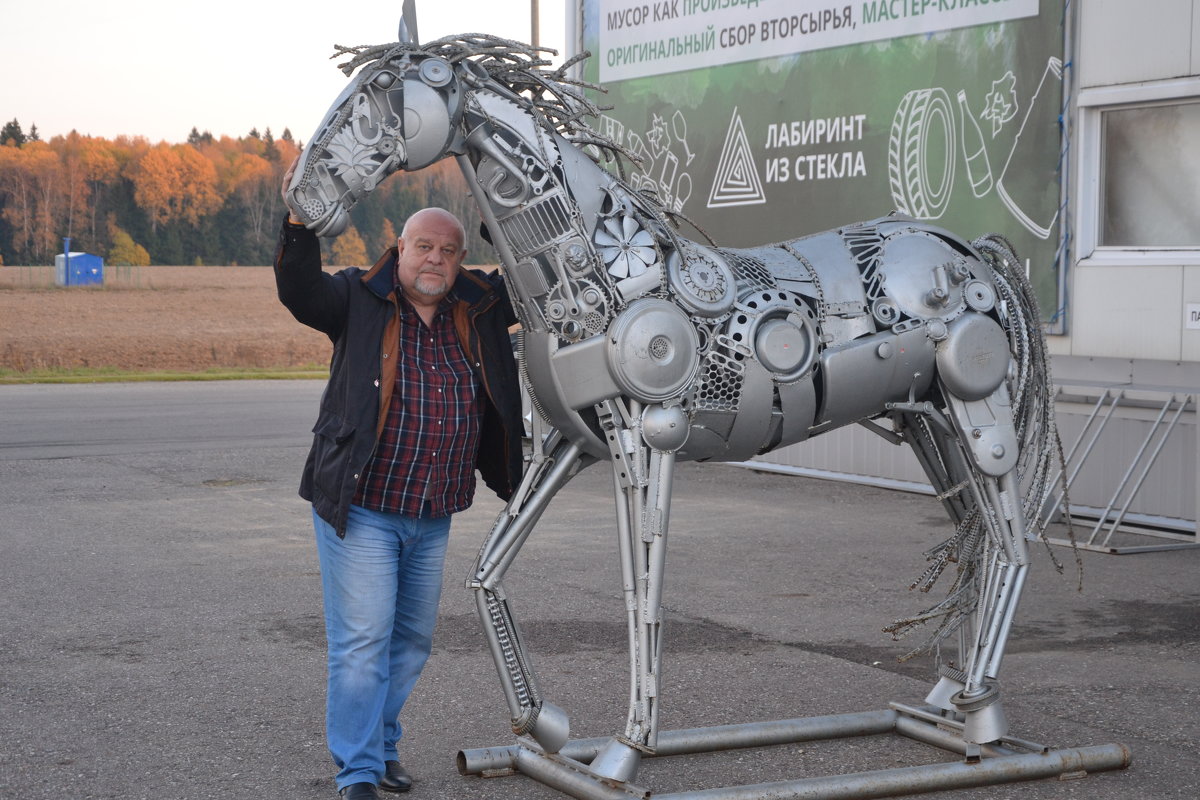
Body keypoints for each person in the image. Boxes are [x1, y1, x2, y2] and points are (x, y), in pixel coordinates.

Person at [274, 182, 523, 798]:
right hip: (363, 507)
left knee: (411, 640)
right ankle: (357, 770)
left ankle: (382, 745)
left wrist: (509, 206)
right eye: (423, 246)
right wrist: (301, 224)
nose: (434, 258)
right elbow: (300, 290)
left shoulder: (481, 306)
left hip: (433, 511)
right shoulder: (357, 297)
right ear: (400, 249)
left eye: (448, 249)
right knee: (362, 640)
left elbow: (536, 276)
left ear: (460, 259)